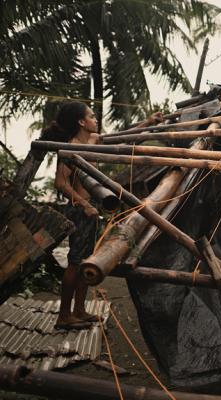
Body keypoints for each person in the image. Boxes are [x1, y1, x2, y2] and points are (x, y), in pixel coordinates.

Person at [41, 101, 162, 329]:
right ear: (81, 122)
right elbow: (60, 182)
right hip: (80, 211)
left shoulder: (93, 140)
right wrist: (84, 204)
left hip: (91, 211)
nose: (95, 119)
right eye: (91, 116)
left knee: (85, 261)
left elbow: (124, 137)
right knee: (75, 264)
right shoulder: (72, 146)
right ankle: (64, 315)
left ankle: (79, 310)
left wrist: (149, 122)